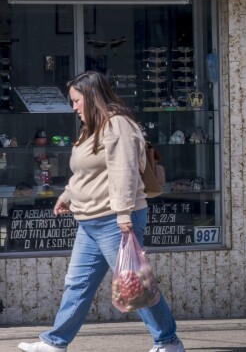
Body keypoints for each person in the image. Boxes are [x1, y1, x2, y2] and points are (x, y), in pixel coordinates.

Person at [19, 71, 185, 352]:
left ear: (92, 96)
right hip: (90, 221)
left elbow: (124, 173)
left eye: (76, 101)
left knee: (134, 285)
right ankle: (56, 342)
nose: (74, 108)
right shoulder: (92, 129)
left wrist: (123, 215)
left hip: (115, 220)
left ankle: (168, 341)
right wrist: (68, 196)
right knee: (78, 284)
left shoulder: (117, 126)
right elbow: (87, 173)